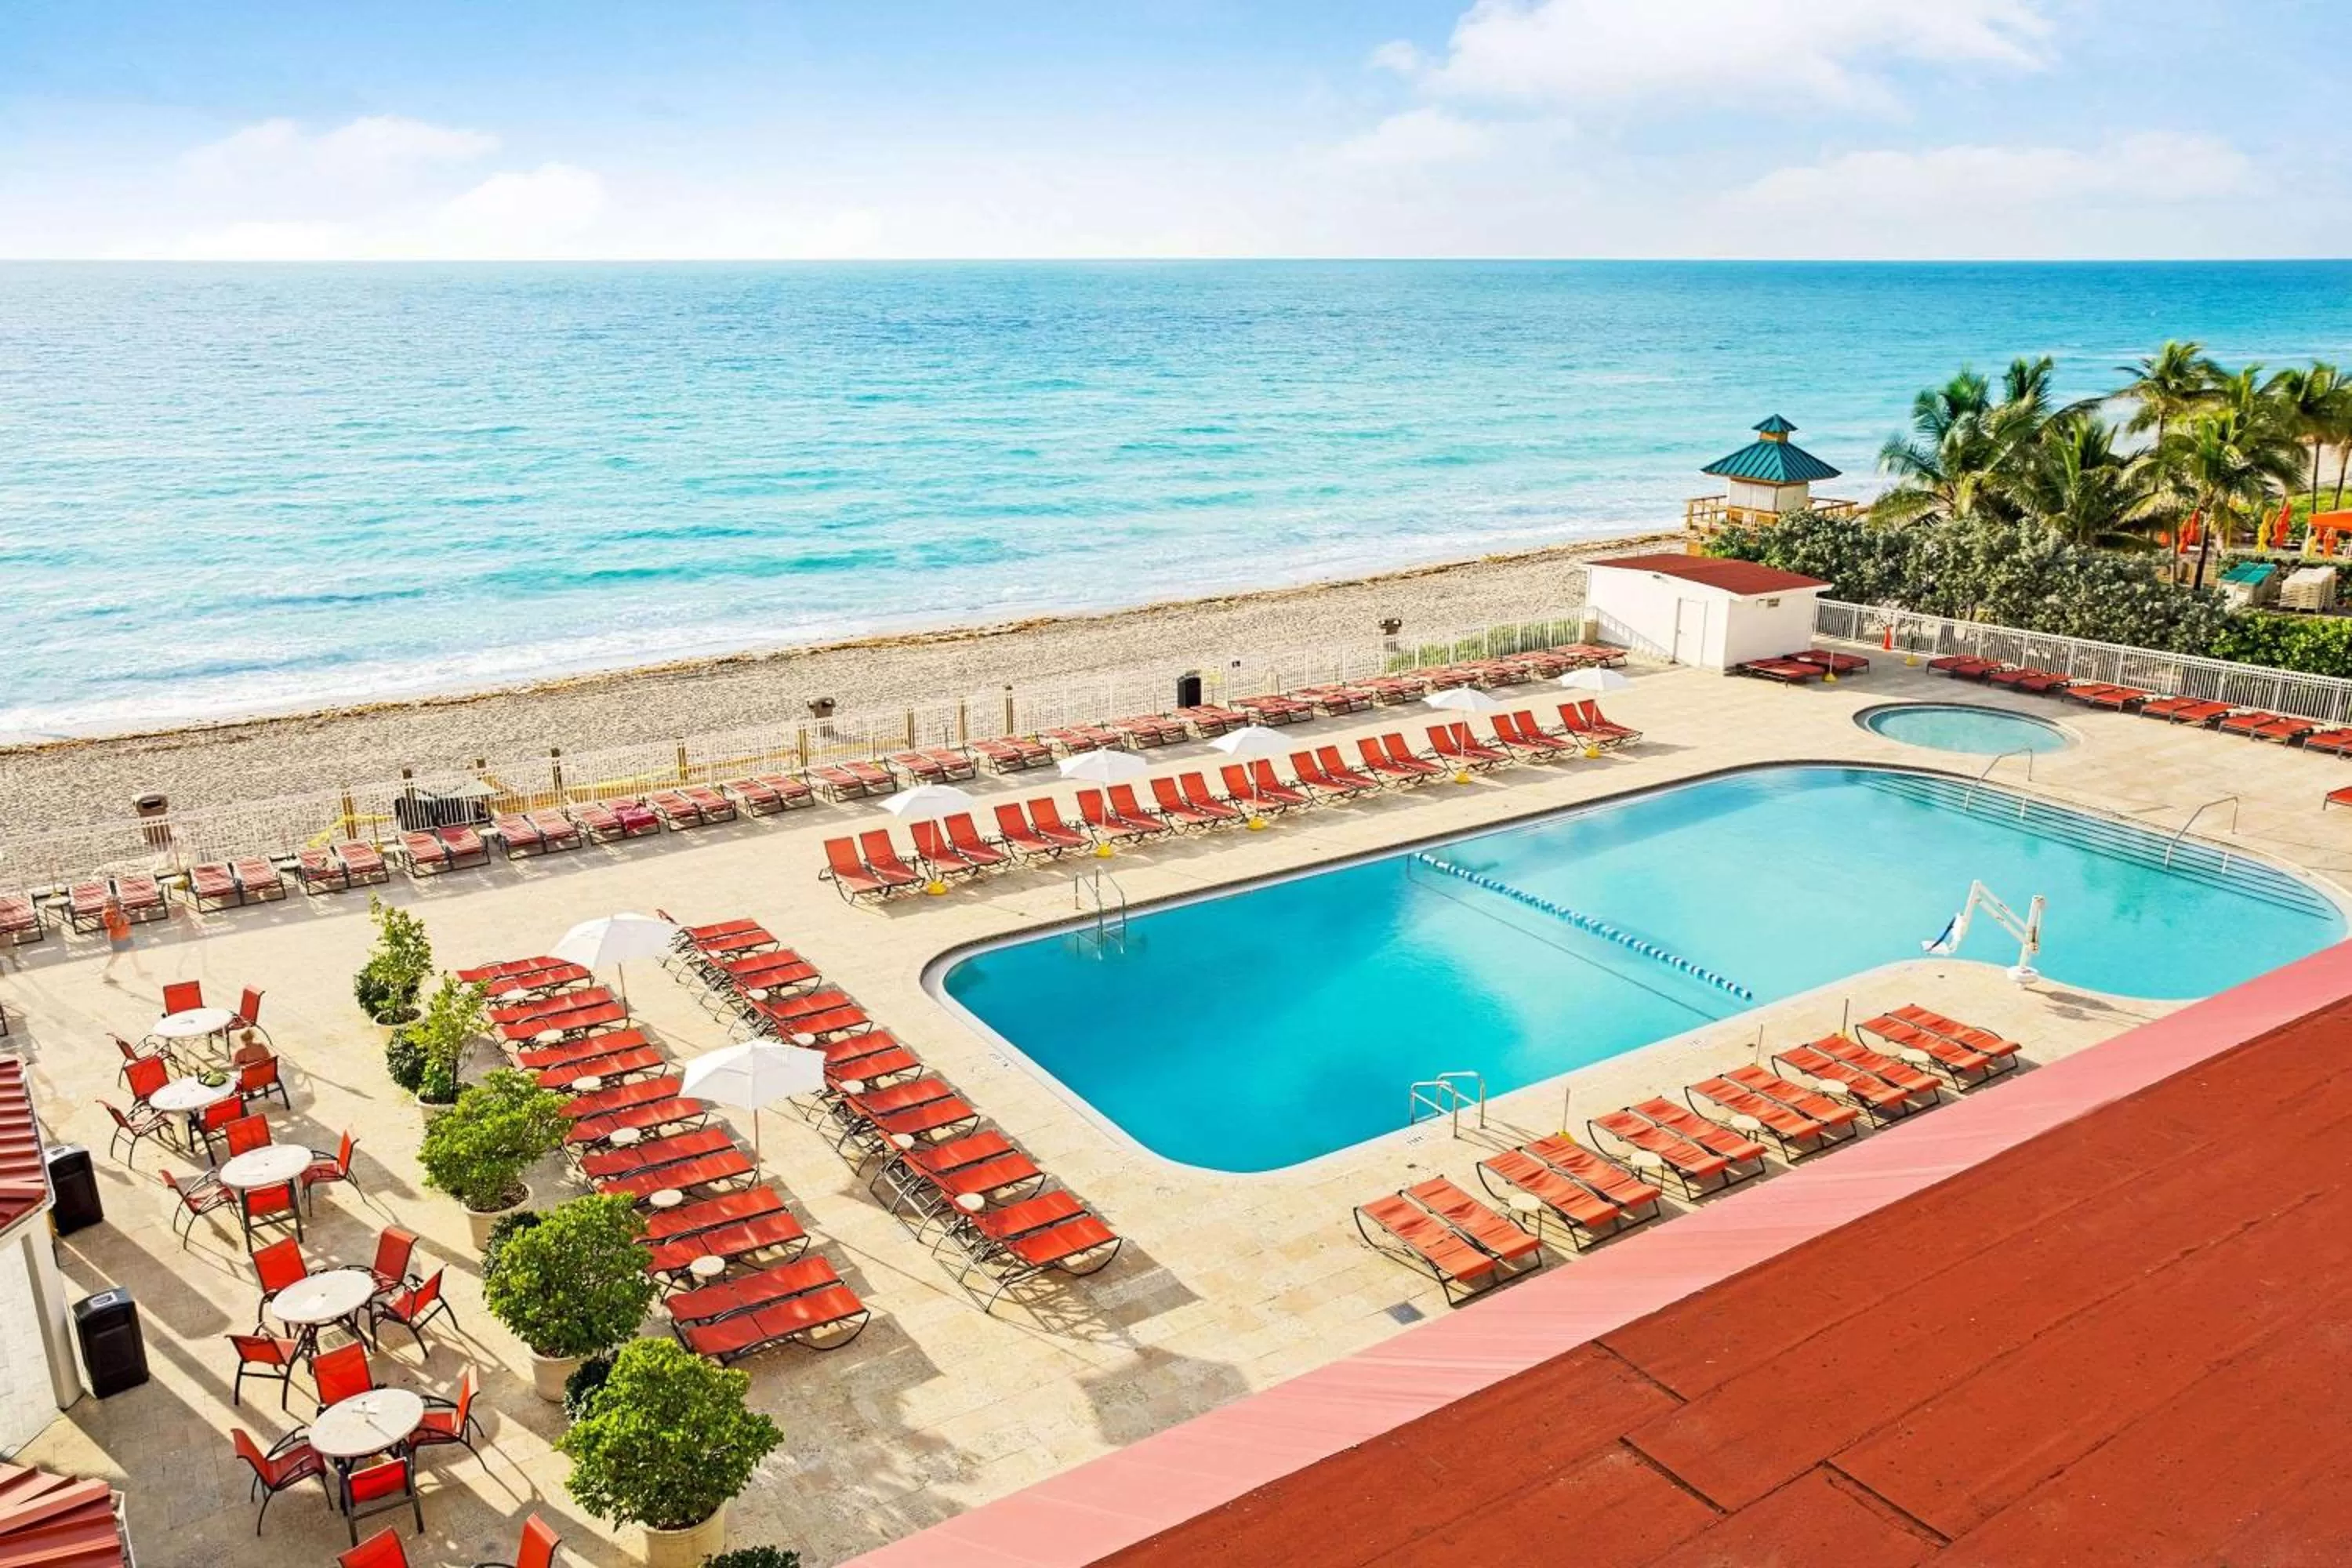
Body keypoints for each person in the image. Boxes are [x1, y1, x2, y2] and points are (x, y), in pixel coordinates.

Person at [99, 895, 138, 983]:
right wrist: (119, 914)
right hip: (116, 937)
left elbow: (128, 920)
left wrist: (121, 913)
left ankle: (139, 970)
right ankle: (106, 975)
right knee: (116, 956)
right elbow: (117, 925)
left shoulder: (118, 911)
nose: (119, 905)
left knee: (133, 952)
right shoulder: (107, 913)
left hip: (126, 935)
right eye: (117, 904)